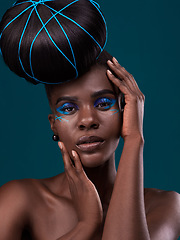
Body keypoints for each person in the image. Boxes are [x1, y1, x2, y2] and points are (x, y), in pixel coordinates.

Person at [0, 0, 180, 239]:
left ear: (127, 110)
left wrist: (135, 139)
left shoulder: (167, 206)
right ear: (53, 124)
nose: (87, 120)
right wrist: (87, 224)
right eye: (68, 108)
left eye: (103, 103)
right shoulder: (18, 199)